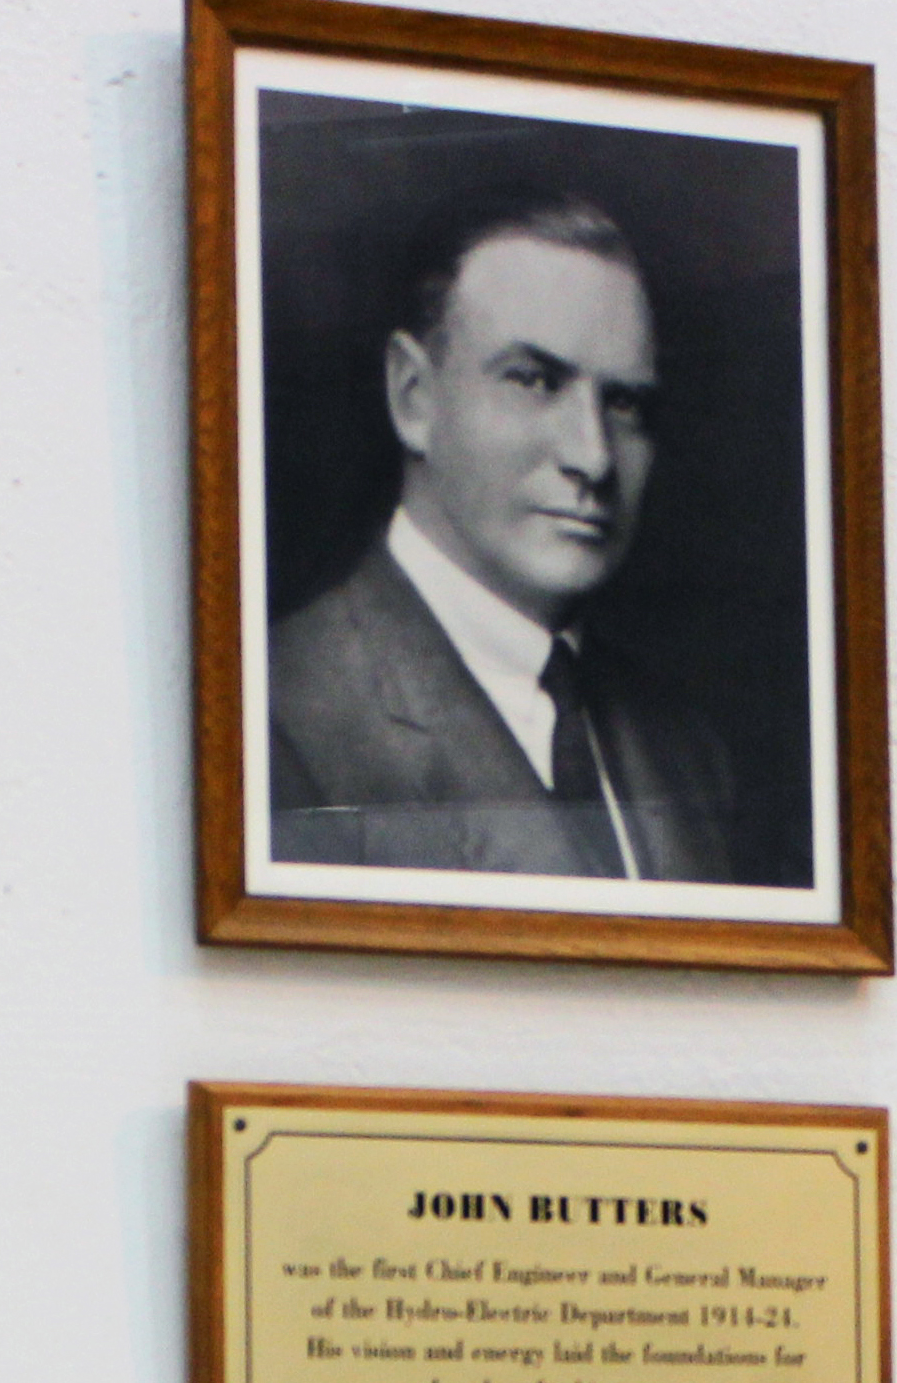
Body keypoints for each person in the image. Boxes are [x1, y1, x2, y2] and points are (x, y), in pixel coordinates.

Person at [268, 187, 735, 883]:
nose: (594, 456)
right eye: (534, 381)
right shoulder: (280, 716)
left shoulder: (688, 751)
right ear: (413, 397)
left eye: (625, 402)